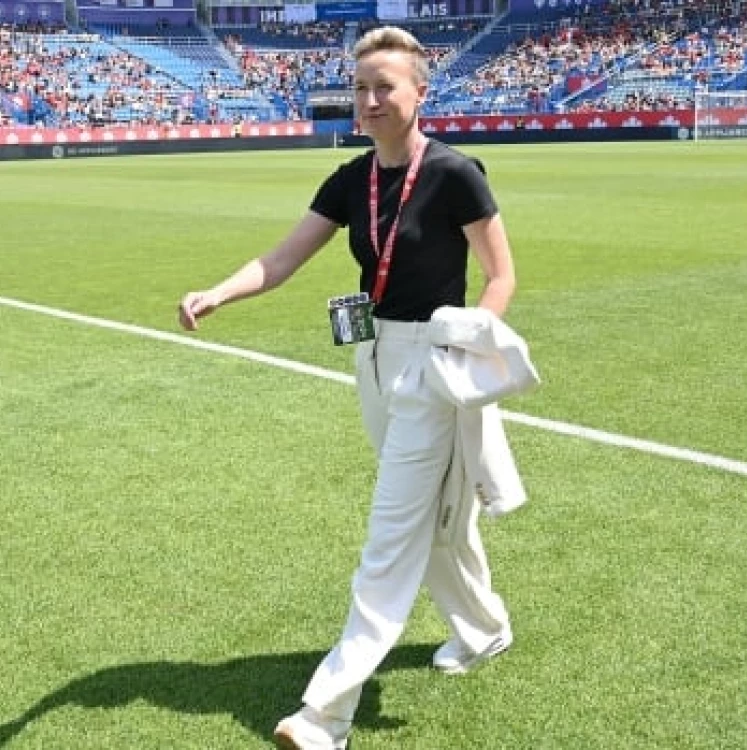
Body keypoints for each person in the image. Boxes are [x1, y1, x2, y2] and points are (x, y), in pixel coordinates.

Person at [178, 26, 522, 750]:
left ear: (420, 93)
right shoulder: (349, 179)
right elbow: (283, 257)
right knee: (439, 521)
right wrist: (219, 292)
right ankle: (486, 629)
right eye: (360, 88)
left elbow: (501, 277)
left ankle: (325, 714)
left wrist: (465, 346)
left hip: (435, 362)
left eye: (385, 87)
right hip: (372, 357)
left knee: (392, 532)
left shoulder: (457, 172)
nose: (369, 101)